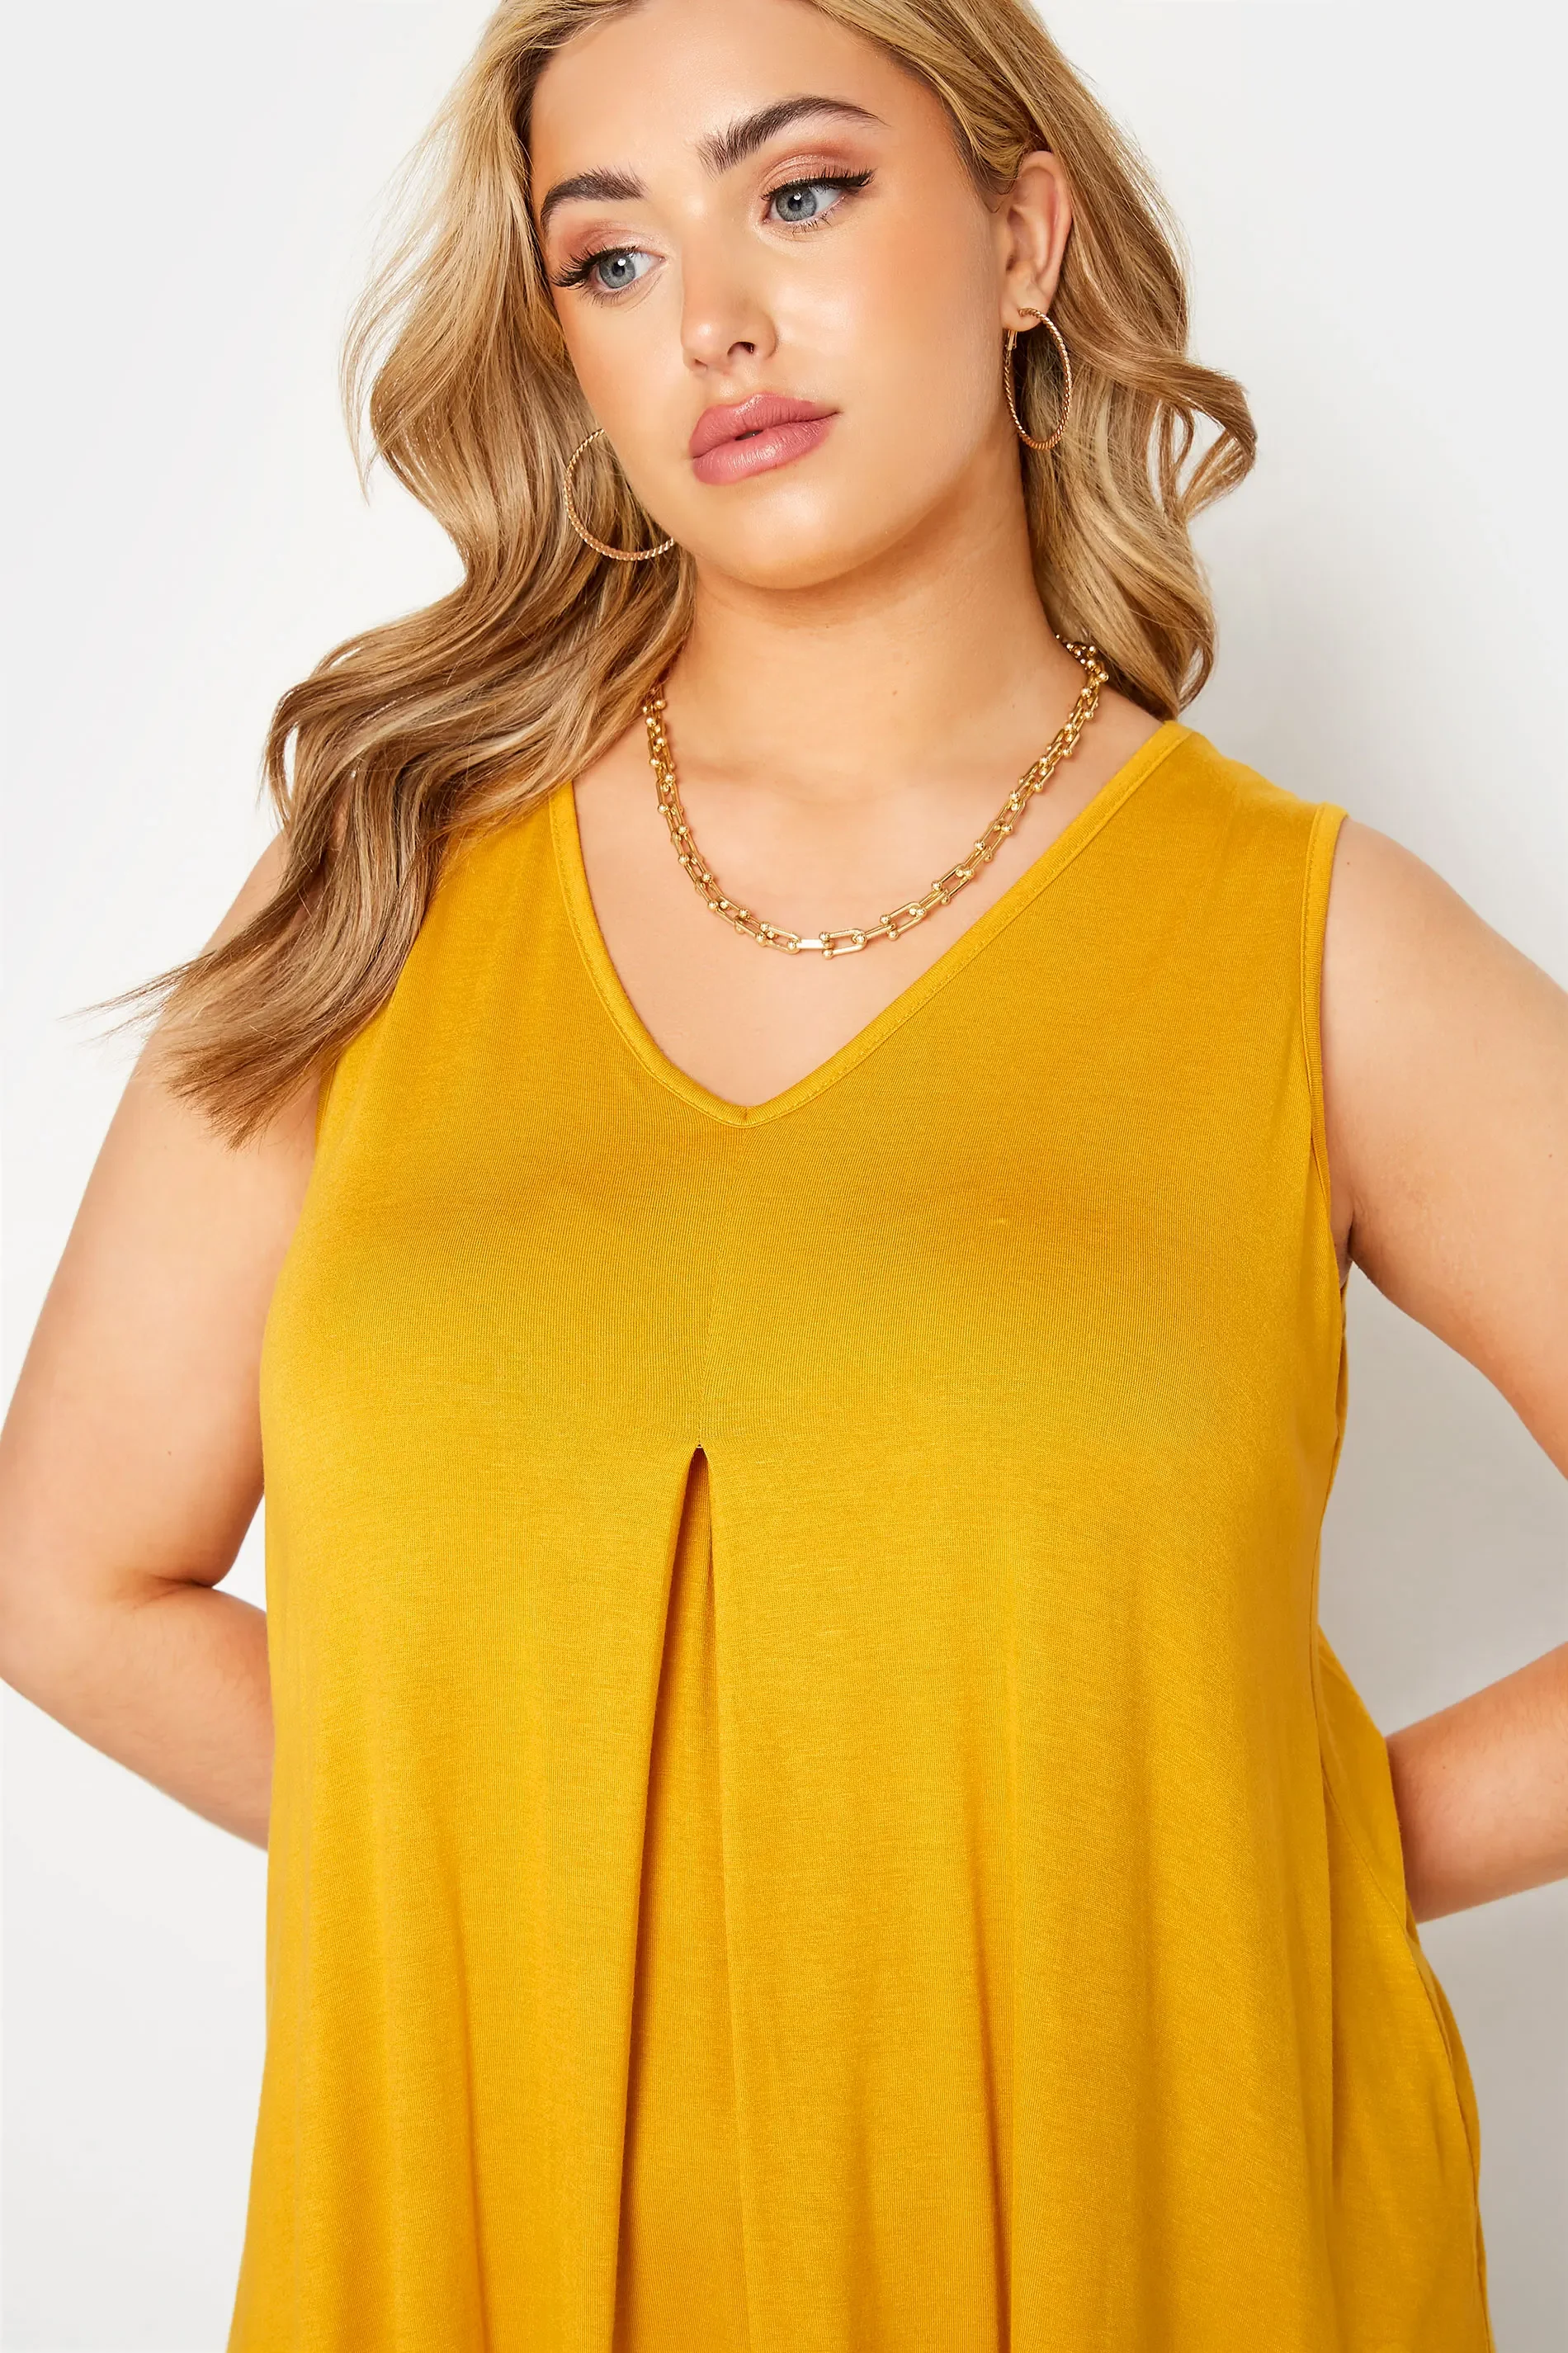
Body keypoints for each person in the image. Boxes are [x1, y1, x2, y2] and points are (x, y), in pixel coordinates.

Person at [1, 0, 1563, 2346]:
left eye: (801, 192)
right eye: (608, 257)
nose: (712, 317)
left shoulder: (1311, 942)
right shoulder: (383, 896)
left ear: (1024, 238)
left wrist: (1259, 1862)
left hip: (1149, 2250)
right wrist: (538, 1866)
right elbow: (71, 1581)